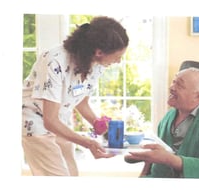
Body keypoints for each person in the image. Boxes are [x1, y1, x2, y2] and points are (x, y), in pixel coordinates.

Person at [22, 16, 129, 176]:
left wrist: (98, 124)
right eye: (117, 56)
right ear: (99, 52)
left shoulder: (97, 64)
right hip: (35, 122)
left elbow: (81, 101)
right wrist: (88, 143)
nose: (119, 61)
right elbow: (49, 120)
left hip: (60, 122)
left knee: (72, 175)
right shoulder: (55, 60)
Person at [124, 67, 199, 178]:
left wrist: (170, 159)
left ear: (197, 96)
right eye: (173, 82)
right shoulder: (168, 117)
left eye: (179, 85)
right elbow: (153, 163)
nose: (171, 88)